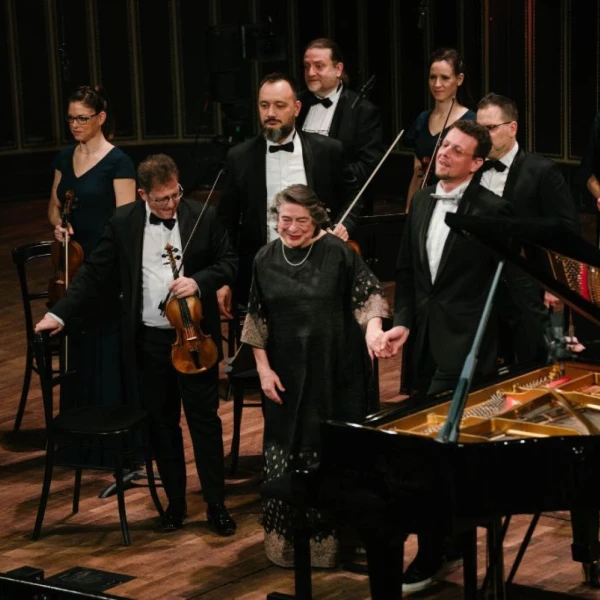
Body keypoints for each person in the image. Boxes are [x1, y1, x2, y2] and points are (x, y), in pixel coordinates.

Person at [36, 154, 238, 536]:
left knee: (205, 424)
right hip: (149, 341)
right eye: (162, 199)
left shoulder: (204, 216)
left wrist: (199, 282)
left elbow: (229, 261)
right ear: (143, 194)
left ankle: (216, 505)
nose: (172, 204)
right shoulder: (123, 222)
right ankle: (175, 504)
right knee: (162, 425)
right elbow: (94, 273)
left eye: (175, 194)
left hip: (196, 339)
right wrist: (59, 314)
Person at [374, 120, 513, 593]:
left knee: (432, 459)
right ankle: (450, 543)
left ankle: (431, 554)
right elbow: (409, 275)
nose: (445, 154)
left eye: (456, 150)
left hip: (467, 352)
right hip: (424, 349)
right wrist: (403, 323)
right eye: (443, 145)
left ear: (477, 163)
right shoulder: (420, 201)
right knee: (437, 457)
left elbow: (508, 286)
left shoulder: (493, 210)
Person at [240, 183, 388, 568]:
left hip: (336, 371)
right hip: (285, 375)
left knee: (336, 455)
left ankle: (338, 545)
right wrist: (263, 371)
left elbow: (369, 296)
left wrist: (374, 332)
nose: (291, 228)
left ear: (316, 220)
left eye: (301, 221)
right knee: (287, 453)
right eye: (284, 220)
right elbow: (256, 319)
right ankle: (287, 545)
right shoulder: (265, 258)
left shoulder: (338, 252)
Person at [217, 72, 358, 315]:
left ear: (297, 108)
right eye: (264, 105)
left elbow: (354, 196)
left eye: (279, 105)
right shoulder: (239, 157)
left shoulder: (327, 150)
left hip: (319, 269)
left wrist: (344, 225)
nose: (270, 113)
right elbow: (226, 224)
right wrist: (225, 278)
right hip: (262, 274)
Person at [47, 85, 136, 463]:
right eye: (70, 118)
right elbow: (54, 205)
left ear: (101, 118)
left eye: (82, 118)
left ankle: (111, 442)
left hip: (106, 268)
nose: (75, 125)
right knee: (77, 349)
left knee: (105, 349)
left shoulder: (119, 163)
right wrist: (58, 225)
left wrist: (101, 258)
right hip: (73, 264)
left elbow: (126, 220)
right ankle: (77, 438)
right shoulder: (64, 157)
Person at [475, 92, 580, 364]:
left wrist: (555, 287)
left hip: (532, 291)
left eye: (490, 128)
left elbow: (567, 232)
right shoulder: (473, 170)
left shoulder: (542, 171)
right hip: (483, 290)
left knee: (538, 365)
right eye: (479, 129)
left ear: (512, 128)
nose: (483, 136)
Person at [297, 37, 384, 211]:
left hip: (343, 210)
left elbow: (368, 168)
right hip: (298, 207)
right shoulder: (296, 104)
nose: (311, 73)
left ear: (338, 69)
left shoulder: (363, 111)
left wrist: (326, 176)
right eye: (307, 67)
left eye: (319, 66)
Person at [405, 48, 475, 211]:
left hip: (455, 206)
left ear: (459, 79)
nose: (437, 84)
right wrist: (408, 212)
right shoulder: (422, 119)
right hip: (424, 205)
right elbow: (417, 174)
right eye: (432, 77)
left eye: (444, 78)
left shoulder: (471, 122)